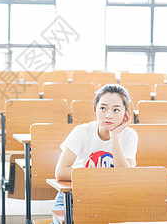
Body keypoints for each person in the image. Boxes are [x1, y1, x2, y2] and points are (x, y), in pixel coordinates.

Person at [52, 84, 138, 223]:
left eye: (116, 110)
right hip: (73, 197)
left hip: (111, 198)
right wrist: (106, 177)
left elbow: (125, 175)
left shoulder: (129, 135)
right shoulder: (81, 131)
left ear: (125, 113)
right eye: (103, 108)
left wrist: (114, 135)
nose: (108, 115)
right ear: (96, 109)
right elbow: (61, 172)